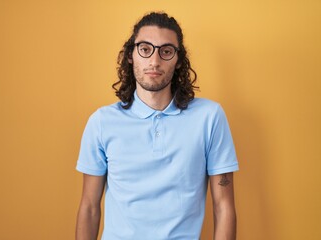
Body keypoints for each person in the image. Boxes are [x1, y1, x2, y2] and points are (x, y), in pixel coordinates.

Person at [76, 12, 239, 240]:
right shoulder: (101, 122)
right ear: (131, 54)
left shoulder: (210, 117)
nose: (154, 61)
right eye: (145, 49)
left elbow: (224, 207)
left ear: (179, 59)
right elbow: (90, 208)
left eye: (166, 51)